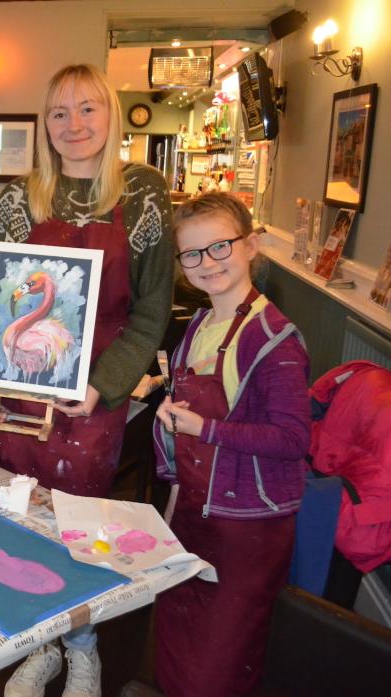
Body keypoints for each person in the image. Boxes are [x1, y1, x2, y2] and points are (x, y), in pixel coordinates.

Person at [0, 64, 173, 697]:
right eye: (59, 113)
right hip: (21, 385)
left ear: (109, 116)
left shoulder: (142, 196)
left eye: (87, 109)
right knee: (19, 518)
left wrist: (104, 388)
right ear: (44, 124)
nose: (74, 125)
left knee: (79, 526)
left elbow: (151, 309)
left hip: (94, 391)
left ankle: (83, 645)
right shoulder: (17, 198)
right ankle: (40, 642)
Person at [152, 192, 309, 697]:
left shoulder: (275, 337)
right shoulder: (200, 324)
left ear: (251, 245)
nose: (207, 263)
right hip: (196, 511)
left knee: (220, 659)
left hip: (248, 529)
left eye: (220, 247)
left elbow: (291, 439)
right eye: (192, 254)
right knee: (179, 639)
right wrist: (173, 425)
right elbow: (192, 418)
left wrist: (203, 429)